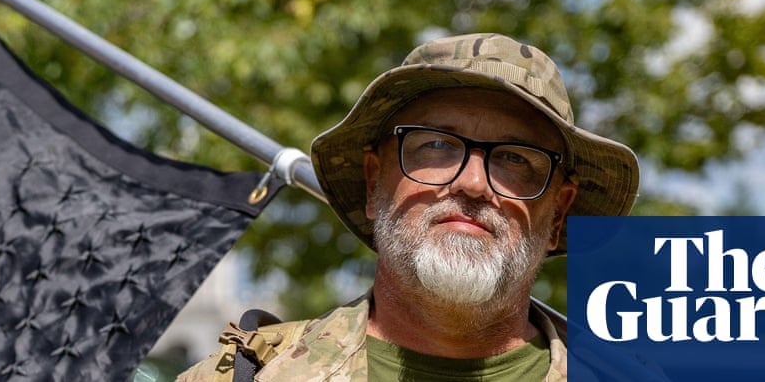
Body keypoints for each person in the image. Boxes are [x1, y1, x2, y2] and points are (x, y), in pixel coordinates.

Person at [177, 32, 639, 381]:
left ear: (558, 215)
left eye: (515, 159)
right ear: (375, 181)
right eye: (437, 146)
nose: (474, 183)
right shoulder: (245, 377)